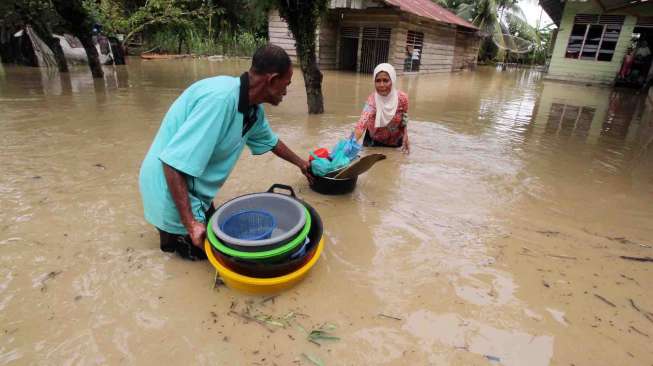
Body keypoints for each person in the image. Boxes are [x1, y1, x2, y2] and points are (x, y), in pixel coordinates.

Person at [139, 44, 311, 261]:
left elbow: (272, 142)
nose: (286, 91)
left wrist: (302, 164)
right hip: (168, 186)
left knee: (218, 243)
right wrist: (191, 224)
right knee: (196, 260)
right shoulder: (219, 100)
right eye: (286, 84)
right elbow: (172, 164)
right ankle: (173, 238)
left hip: (194, 188)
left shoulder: (252, 111)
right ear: (271, 79)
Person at [353, 63, 409, 153]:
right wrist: (350, 142)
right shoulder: (372, 101)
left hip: (396, 142)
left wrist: (406, 136)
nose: (381, 85)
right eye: (378, 81)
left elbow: (404, 119)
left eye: (385, 80)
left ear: (393, 80)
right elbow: (361, 124)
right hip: (373, 142)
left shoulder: (403, 98)